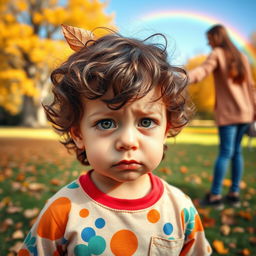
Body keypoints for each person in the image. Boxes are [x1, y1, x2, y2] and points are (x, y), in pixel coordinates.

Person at [18, 25, 211, 255]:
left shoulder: (180, 210)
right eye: (106, 123)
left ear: (166, 129)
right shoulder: (62, 212)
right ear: (78, 134)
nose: (128, 141)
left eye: (146, 122)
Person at [188, 24, 256, 209]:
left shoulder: (217, 53)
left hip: (229, 114)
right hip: (246, 112)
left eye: (209, 38)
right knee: (236, 153)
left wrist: (184, 77)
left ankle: (216, 196)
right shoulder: (241, 56)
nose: (207, 42)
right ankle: (234, 194)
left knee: (226, 153)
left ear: (216, 37)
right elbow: (251, 87)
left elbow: (202, 71)